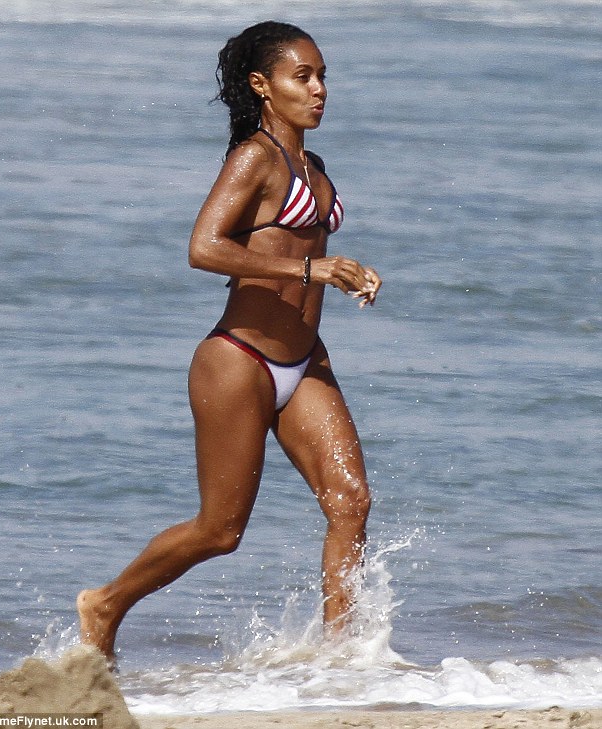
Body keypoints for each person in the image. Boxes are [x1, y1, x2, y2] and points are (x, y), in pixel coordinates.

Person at [77, 20, 382, 663]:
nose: (319, 89)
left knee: (350, 501)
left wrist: (348, 271)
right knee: (220, 531)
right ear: (263, 85)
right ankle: (104, 604)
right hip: (239, 361)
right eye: (303, 77)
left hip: (305, 358)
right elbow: (204, 247)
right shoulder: (254, 158)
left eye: (323, 77)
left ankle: (344, 663)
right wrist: (311, 269)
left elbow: (300, 246)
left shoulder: (314, 167)